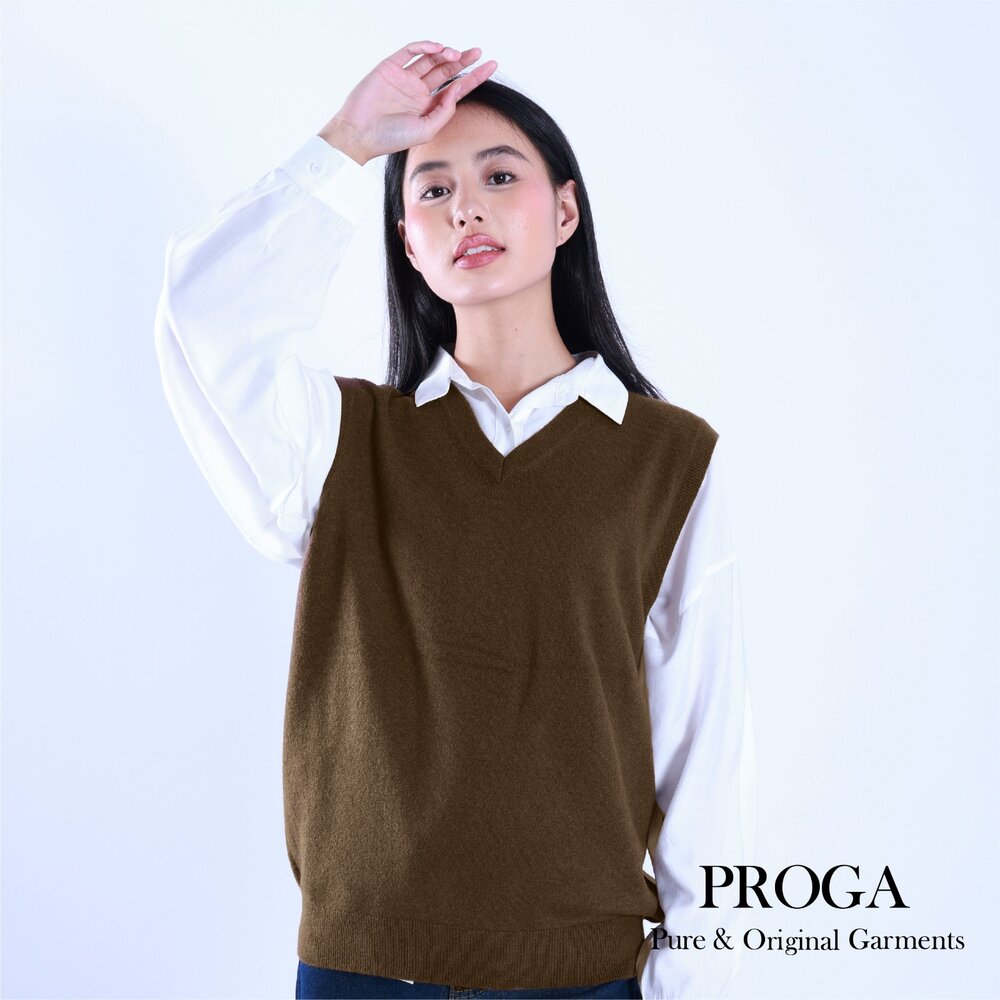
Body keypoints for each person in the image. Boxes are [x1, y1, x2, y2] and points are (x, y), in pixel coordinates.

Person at [154, 39, 757, 1000]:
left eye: (499, 176)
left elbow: (704, 755)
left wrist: (693, 984)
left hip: (583, 976)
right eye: (432, 189)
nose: (465, 206)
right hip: (362, 970)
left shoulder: (668, 459)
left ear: (565, 211)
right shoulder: (341, 441)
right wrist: (352, 138)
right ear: (407, 242)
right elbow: (206, 315)